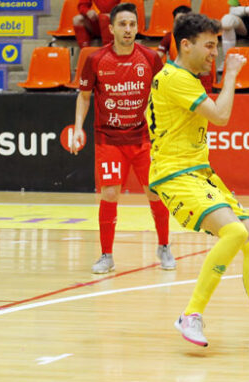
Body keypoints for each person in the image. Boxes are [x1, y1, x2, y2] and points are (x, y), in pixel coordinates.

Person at [146, 12, 249, 351]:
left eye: (215, 46)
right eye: (209, 46)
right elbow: (221, 116)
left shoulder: (186, 78)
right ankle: (190, 314)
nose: (215, 52)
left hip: (199, 172)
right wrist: (233, 74)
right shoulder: (175, 78)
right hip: (175, 175)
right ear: (186, 44)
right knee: (236, 232)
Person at [69, 3, 174, 274]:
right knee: (110, 193)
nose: (128, 30)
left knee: (154, 192)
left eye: (132, 25)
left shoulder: (151, 58)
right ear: (112, 28)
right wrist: (78, 127)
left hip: (143, 139)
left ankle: (164, 246)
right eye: (122, 25)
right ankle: (106, 255)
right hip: (108, 139)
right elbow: (83, 96)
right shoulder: (96, 59)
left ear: (137, 28)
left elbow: (162, 97)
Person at [156, 5, 213, 91]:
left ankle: (207, 95)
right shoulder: (169, 37)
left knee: (204, 66)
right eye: (177, 21)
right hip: (176, 74)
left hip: (195, 72)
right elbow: (157, 56)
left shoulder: (199, 36)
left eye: (182, 22)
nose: (179, 25)